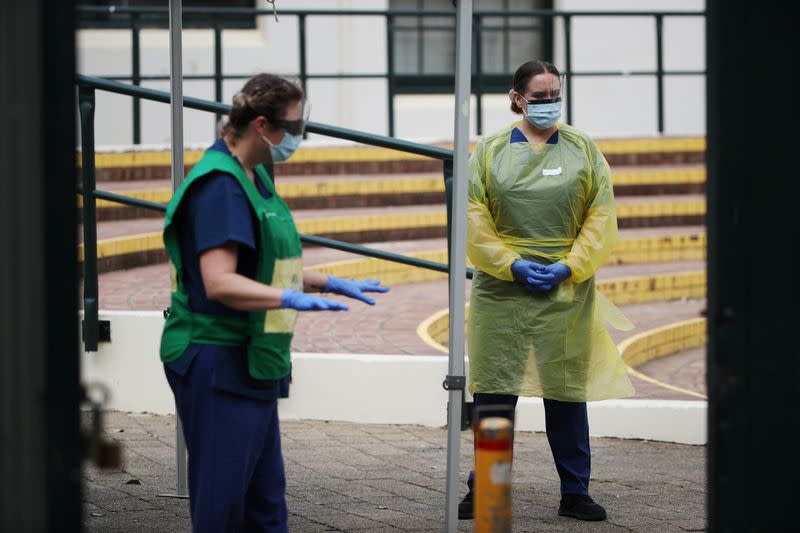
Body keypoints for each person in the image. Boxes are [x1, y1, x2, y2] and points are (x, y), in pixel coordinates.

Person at [159, 73, 389, 532]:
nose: (298, 137)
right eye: (295, 127)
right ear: (262, 125)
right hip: (216, 356)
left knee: (265, 504)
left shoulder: (254, 175)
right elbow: (221, 282)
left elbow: (258, 262)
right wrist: (289, 298)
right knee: (223, 504)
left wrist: (329, 282)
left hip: (251, 359)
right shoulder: (219, 186)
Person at [460, 59, 635, 522]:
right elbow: (474, 215)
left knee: (566, 395)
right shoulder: (491, 151)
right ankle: (488, 490)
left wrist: (569, 267)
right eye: (539, 98)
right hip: (502, 290)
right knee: (496, 393)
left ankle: (575, 491)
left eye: (554, 95)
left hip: (565, 290)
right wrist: (509, 263)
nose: (548, 105)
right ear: (517, 99)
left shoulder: (582, 148)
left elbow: (601, 214)